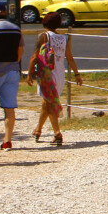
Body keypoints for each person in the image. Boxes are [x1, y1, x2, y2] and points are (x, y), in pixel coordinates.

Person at [31, 12, 82, 146]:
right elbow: (69, 57)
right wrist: (77, 74)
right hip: (59, 74)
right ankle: (38, 129)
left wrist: (30, 72)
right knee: (46, 103)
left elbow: (35, 56)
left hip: (47, 74)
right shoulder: (63, 38)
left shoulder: (43, 36)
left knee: (49, 103)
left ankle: (57, 132)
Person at [0, 2, 24, 151]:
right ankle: (7, 140)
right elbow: (20, 50)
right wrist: (14, 63)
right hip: (12, 71)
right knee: (9, 107)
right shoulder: (16, 29)